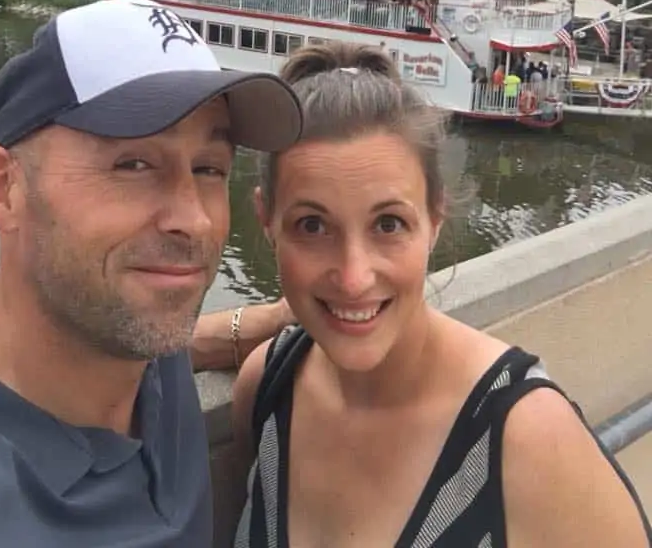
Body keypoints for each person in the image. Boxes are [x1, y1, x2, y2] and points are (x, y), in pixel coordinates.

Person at [231, 42, 652, 547]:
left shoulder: (526, 436)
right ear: (267, 222)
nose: (353, 276)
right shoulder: (268, 386)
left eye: (388, 223)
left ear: (434, 219)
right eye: (312, 225)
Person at [0, 0, 305, 547]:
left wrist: (259, 325)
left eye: (209, 169)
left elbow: (175, 346)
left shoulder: (131, 338)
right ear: (1, 189)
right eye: (133, 165)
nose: (194, 221)